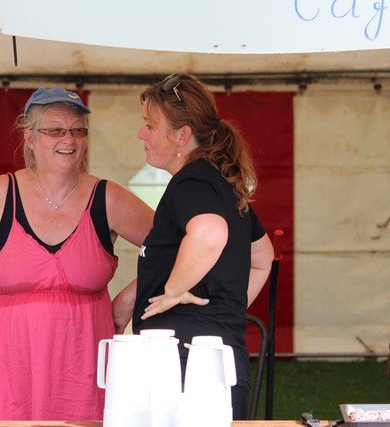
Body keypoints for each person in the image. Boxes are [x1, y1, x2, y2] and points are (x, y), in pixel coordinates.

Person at [0, 87, 153, 421]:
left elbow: (172, 247)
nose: (69, 139)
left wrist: (128, 300)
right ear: (29, 138)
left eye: (78, 130)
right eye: (55, 130)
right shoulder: (2, 193)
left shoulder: (108, 198)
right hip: (7, 358)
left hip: (84, 359)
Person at [112, 73, 274, 420]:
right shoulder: (220, 183)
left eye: (150, 126)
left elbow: (209, 233)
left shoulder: (192, 183)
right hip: (216, 362)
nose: (141, 134)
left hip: (183, 367)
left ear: (181, 136)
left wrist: (172, 291)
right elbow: (262, 257)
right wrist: (225, 306)